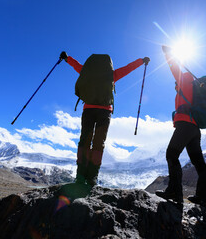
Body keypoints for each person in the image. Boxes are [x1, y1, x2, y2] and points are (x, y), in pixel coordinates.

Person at [60, 51, 150, 187]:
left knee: (85, 141)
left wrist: (67, 58)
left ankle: (80, 176)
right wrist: (141, 61)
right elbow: (128, 68)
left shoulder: (87, 72)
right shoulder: (112, 75)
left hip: (88, 110)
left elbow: (76, 65)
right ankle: (92, 177)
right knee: (98, 143)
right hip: (105, 111)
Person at [155, 45, 206, 207]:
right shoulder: (193, 91)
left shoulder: (185, 83)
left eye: (176, 81)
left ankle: (174, 192)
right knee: (198, 162)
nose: (175, 83)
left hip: (185, 126)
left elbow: (174, 66)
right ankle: (204, 197)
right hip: (194, 129)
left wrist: (168, 53)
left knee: (171, 154)